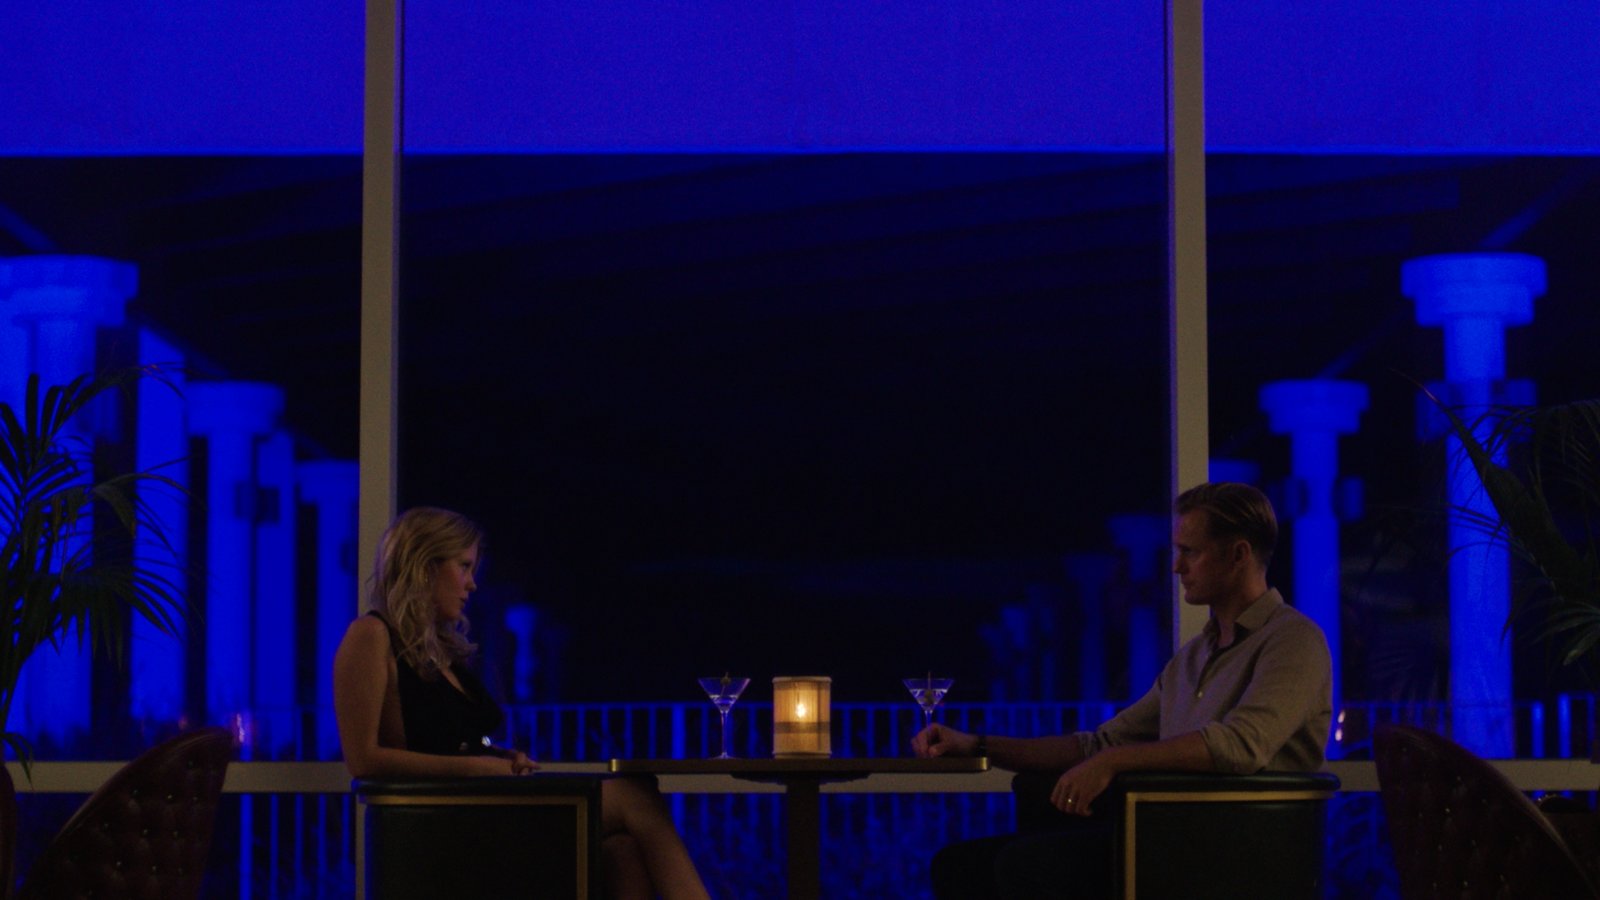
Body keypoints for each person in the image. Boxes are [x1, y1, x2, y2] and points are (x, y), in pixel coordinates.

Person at [912, 482, 1333, 899]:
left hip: (1236, 849)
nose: (1176, 567)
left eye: (1190, 552)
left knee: (1025, 865)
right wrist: (976, 745)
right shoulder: (1194, 655)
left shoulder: (1293, 640)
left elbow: (1241, 745)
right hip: (1169, 836)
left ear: (1238, 554)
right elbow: (1100, 743)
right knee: (959, 866)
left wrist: (1114, 761)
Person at [333, 506, 711, 900]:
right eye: (464, 567)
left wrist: (498, 755)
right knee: (636, 794)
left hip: (481, 801)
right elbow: (363, 760)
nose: (472, 584)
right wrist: (478, 769)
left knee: (623, 851)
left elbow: (446, 739)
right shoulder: (370, 635)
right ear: (425, 566)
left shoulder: (438, 648)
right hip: (446, 818)